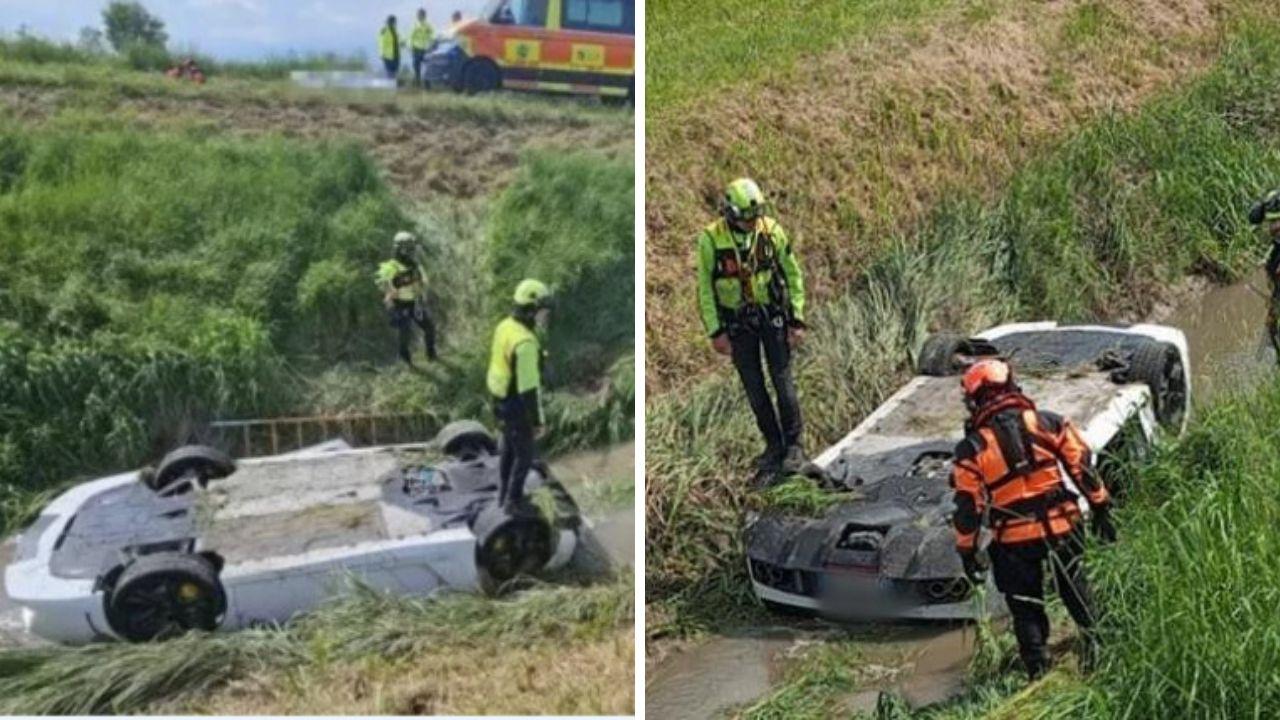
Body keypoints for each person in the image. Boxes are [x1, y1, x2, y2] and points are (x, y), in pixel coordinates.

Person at [950, 358, 1117, 680]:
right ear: (1012, 385)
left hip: (1014, 541)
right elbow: (1082, 467)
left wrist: (967, 551)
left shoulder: (971, 449)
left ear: (973, 400)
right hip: (1063, 527)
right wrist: (1101, 508)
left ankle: (1038, 671)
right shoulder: (1048, 423)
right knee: (1075, 584)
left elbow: (968, 507)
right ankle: (1098, 647)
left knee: (1025, 606)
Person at [695, 177, 807, 486]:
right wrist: (715, 331)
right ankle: (773, 445)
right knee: (754, 388)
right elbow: (705, 289)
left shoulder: (771, 231)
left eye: (756, 215)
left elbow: (793, 274)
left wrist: (797, 319)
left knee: (782, 381)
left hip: (771, 316)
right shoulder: (711, 240)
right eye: (746, 217)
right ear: (730, 213)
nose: (752, 222)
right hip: (738, 324)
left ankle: (794, 446)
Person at [487, 279, 552, 512]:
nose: (545, 315)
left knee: (508, 448)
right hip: (517, 404)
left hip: (499, 398)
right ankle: (513, 502)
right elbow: (528, 390)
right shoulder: (525, 344)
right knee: (524, 455)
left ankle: (503, 494)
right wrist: (537, 422)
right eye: (542, 310)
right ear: (531, 310)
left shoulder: (505, 326)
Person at [376, 231, 438, 367]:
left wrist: (422, 291)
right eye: (409, 249)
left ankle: (431, 354)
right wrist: (390, 298)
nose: (412, 252)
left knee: (429, 327)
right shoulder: (390, 267)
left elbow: (424, 283)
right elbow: (384, 287)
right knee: (405, 333)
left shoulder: (415, 266)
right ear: (401, 249)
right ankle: (405, 359)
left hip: (415, 303)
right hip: (400, 305)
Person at [1249, 188, 1280, 362]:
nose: (1274, 227)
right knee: (1272, 326)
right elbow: (1253, 216)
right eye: (1272, 222)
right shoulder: (1271, 199)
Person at [409, 8, 434, 87]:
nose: (420, 16)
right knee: (416, 67)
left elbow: (432, 35)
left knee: (428, 67)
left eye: (421, 15)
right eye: (419, 15)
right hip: (416, 49)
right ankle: (417, 83)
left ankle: (427, 84)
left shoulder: (428, 25)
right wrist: (411, 47)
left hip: (426, 49)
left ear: (424, 16)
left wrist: (431, 44)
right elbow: (410, 37)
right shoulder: (415, 25)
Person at [378, 15, 402, 81]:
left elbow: (399, 40)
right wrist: (381, 53)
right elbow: (381, 42)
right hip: (387, 55)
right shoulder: (384, 30)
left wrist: (403, 43)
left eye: (394, 22)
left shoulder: (396, 31)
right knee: (389, 73)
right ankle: (389, 85)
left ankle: (393, 85)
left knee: (395, 72)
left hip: (396, 55)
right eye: (392, 22)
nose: (394, 23)